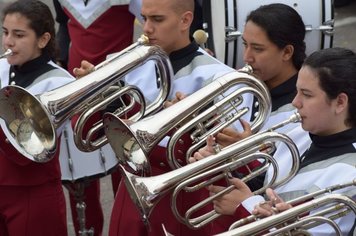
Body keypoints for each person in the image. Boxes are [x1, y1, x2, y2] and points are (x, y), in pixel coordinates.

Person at [100, 0, 237, 235]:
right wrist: (97, 92)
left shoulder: (218, 76)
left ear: (185, 20)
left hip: (184, 196)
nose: (147, 28)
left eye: (157, 20)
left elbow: (226, 152)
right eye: (145, 18)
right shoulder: (131, 65)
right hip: (132, 188)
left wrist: (193, 124)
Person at [190, 4, 311, 233]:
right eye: (245, 45)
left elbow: (283, 187)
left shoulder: (305, 112)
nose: (246, 57)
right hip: (216, 211)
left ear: (287, 52)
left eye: (257, 49)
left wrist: (245, 154)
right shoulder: (241, 87)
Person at [210, 47, 356, 235]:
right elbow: (264, 182)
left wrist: (247, 206)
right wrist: (220, 165)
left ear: (340, 102)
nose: (295, 102)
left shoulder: (350, 173)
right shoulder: (299, 134)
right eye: (297, 91)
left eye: (307, 94)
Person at [53, 1, 136, 235]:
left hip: (120, 89)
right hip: (79, 88)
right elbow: (63, 24)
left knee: (126, 174)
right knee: (81, 174)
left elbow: (158, 20)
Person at [0, 1, 75, 235]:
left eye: (18, 35)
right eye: (5, 32)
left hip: (32, 194)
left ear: (43, 40)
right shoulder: (2, 67)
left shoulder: (60, 83)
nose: (8, 42)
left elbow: (28, 149)